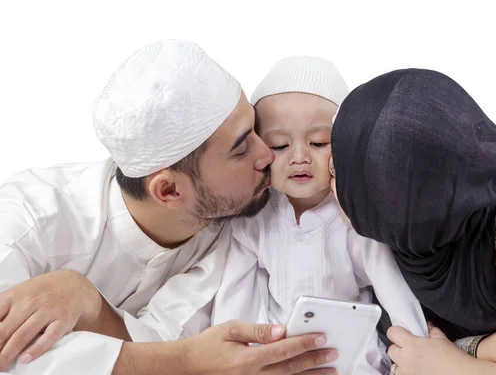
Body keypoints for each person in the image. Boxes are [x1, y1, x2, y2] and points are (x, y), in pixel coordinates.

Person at [0, 40, 337, 374]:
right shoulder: (27, 216)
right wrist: (184, 362)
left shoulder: (233, 227)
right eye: (241, 148)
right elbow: (12, 360)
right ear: (170, 191)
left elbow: (158, 340)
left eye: (257, 130)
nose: (267, 155)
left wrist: (90, 304)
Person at [329, 68, 496, 374]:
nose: (329, 178)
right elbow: (418, 357)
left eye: (340, 171)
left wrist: (469, 370)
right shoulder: (401, 240)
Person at [212, 56, 427, 374]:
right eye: (280, 145)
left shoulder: (354, 219)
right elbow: (236, 296)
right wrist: (232, 356)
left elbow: (393, 288)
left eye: (318, 142)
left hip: (351, 351)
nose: (299, 157)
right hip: (277, 348)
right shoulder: (255, 217)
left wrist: (418, 352)